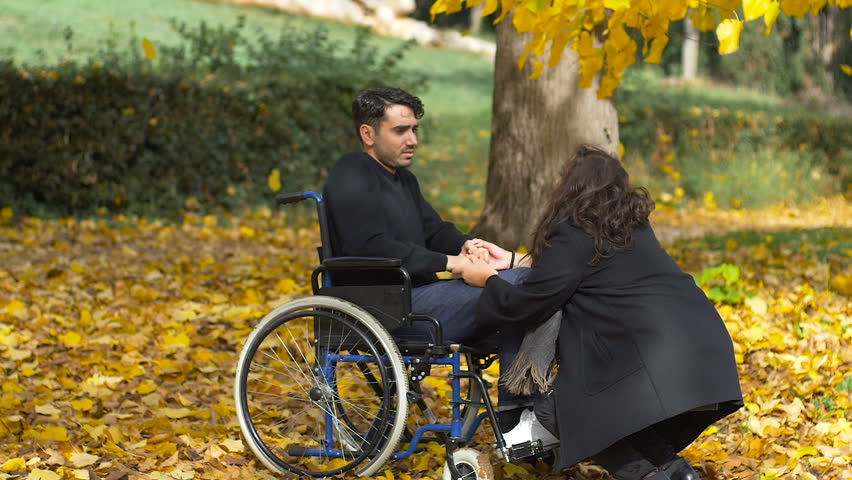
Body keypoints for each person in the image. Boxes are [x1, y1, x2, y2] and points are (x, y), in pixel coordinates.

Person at [454, 146, 744, 480]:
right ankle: (676, 472)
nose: (556, 180)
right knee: (617, 415)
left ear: (575, 186)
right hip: (702, 345)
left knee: (576, 414)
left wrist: (487, 279)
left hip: (650, 353)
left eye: (563, 175)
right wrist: (511, 259)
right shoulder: (630, 225)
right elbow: (573, 268)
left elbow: (529, 303)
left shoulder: (571, 231)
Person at [322, 86, 534, 434]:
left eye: (415, 129)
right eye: (400, 130)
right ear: (368, 134)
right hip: (388, 307)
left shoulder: (404, 180)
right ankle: (517, 419)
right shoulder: (351, 174)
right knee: (520, 285)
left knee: (522, 288)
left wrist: (473, 247)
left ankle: (524, 412)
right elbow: (370, 246)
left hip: (422, 297)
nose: (413, 140)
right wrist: (453, 263)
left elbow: (436, 230)